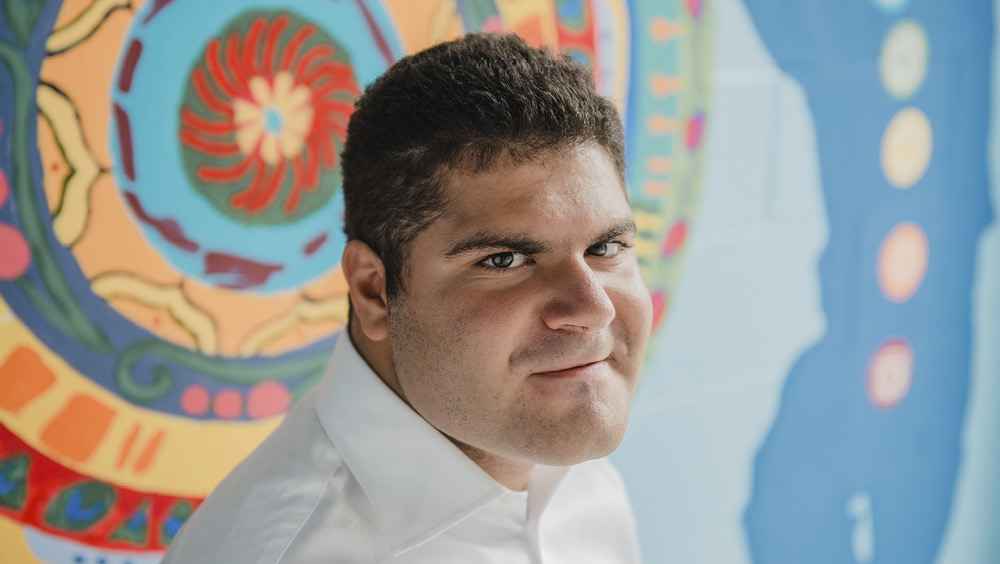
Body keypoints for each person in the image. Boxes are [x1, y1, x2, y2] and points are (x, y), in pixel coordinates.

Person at [162, 32, 652, 563]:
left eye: (605, 247)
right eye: (505, 261)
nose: (593, 309)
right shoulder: (289, 550)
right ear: (373, 290)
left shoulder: (565, 461)